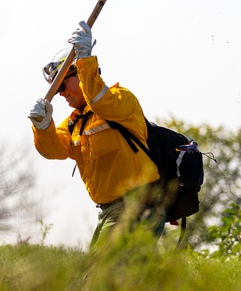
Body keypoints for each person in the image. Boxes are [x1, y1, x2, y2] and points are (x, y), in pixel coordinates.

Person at [28, 21, 165, 248]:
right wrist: (42, 126)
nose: (60, 93)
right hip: (110, 211)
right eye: (57, 88)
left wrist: (84, 60)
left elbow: (99, 101)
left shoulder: (120, 99)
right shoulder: (74, 125)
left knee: (100, 279)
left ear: (80, 74)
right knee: (112, 281)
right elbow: (53, 150)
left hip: (138, 203)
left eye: (63, 84)